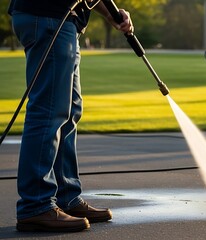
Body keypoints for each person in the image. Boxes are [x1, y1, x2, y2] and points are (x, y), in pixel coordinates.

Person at [8, 0, 134, 232]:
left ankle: (66, 197)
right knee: (49, 112)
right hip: (48, 16)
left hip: (65, 20)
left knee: (69, 111)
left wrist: (111, 14)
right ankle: (36, 205)